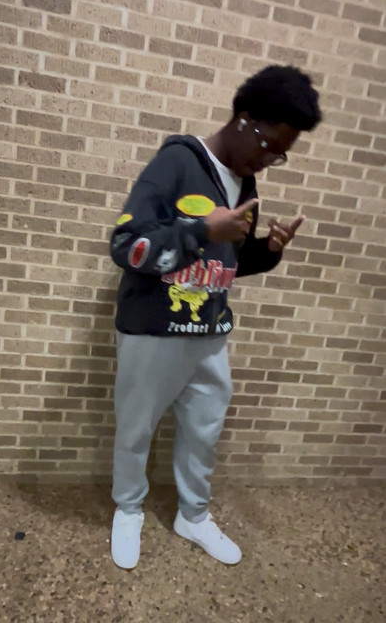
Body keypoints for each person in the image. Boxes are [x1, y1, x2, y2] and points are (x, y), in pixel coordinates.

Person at [108, 65, 322, 569]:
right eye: (269, 146)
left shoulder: (245, 183)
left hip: (209, 332)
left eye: (280, 154)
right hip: (153, 330)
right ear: (244, 119)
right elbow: (126, 246)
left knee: (205, 430)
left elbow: (227, 263)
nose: (269, 161)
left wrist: (268, 250)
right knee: (136, 428)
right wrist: (201, 230)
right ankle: (129, 509)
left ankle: (194, 515)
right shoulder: (176, 162)